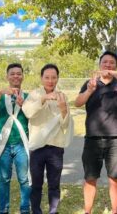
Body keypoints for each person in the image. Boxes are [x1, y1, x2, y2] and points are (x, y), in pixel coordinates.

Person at [75, 51, 117, 214]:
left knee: (115, 178)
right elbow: (78, 103)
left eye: (112, 63)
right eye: (105, 62)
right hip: (92, 138)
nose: (108, 65)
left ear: (116, 66)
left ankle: (114, 210)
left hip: (116, 138)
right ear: (99, 64)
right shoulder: (90, 83)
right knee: (90, 178)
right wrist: (89, 90)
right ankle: (88, 211)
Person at [22, 64, 73, 214]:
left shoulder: (62, 96)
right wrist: (44, 98)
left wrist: (63, 109)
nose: (51, 80)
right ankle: (36, 211)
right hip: (37, 147)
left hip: (55, 147)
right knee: (36, 184)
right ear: (41, 78)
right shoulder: (34, 94)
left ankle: (53, 210)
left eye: (54, 77)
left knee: (54, 184)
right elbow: (28, 113)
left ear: (57, 78)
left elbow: (65, 124)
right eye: (47, 77)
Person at [0, 63, 31, 214]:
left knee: (24, 179)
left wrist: (24, 104)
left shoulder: (28, 96)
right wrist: (0, 93)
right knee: (3, 179)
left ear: (23, 76)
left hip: (21, 142)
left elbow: (33, 115)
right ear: (7, 76)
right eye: (12, 74)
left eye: (19, 73)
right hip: (3, 143)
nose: (15, 76)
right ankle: (3, 210)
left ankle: (25, 209)